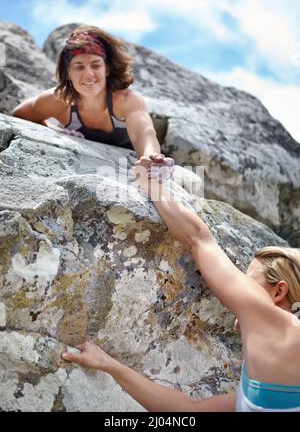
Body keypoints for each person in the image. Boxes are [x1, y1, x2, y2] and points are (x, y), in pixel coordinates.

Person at [62, 157, 300, 412]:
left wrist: (148, 180)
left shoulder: (278, 326)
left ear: (279, 291)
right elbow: (189, 412)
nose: (240, 286)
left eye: (248, 280)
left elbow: (198, 238)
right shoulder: (259, 386)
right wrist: (108, 364)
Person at [12, 25, 174, 177]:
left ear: (107, 69)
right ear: (68, 72)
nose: (89, 74)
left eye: (95, 65)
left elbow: (144, 134)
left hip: (130, 170)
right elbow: (20, 114)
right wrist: (53, 130)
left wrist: (151, 158)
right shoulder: (59, 100)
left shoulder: (125, 100)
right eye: (79, 66)